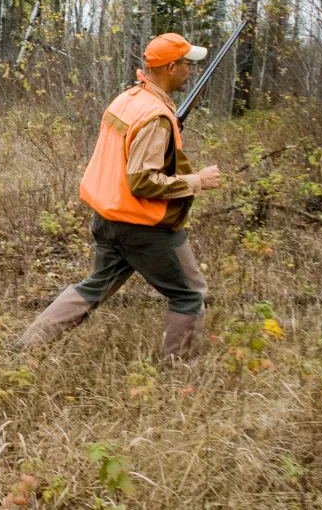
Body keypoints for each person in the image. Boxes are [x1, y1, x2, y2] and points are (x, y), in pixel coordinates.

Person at [17, 33, 221, 365]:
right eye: (187, 64)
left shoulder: (128, 99)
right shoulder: (155, 117)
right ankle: (180, 382)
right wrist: (198, 181)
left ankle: (24, 347)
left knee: (94, 286)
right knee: (189, 293)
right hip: (145, 225)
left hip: (109, 217)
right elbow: (143, 181)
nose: (190, 71)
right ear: (171, 67)